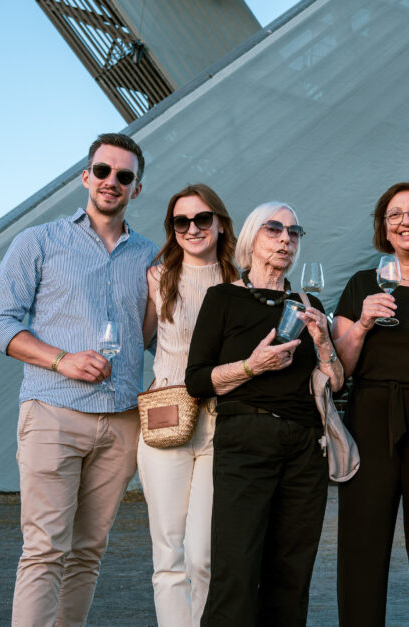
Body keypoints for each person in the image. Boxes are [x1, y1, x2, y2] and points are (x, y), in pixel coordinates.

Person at [0, 133, 157, 625]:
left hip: (121, 422)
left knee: (87, 553)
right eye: (103, 171)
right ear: (86, 177)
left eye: (124, 176)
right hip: (54, 412)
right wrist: (62, 360)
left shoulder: (150, 256)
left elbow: (150, 339)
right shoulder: (38, 242)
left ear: (136, 190)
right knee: (44, 550)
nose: (112, 182)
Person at [185, 202, 344, 626]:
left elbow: (338, 383)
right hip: (245, 438)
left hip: (306, 445)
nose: (285, 239)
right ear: (251, 240)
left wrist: (324, 341)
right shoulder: (223, 299)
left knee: (291, 573)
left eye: (294, 232)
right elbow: (197, 380)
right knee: (236, 569)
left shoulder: (309, 303)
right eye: (274, 230)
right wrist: (253, 366)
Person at [333, 183, 409, 625]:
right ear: (383, 228)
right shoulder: (363, 284)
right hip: (370, 416)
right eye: (395, 214)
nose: (406, 221)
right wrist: (364, 322)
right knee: (361, 544)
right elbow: (340, 368)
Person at [137, 184, 238, 626]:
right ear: (172, 229)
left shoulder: (241, 280)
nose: (193, 228)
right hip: (166, 422)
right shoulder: (158, 278)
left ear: (219, 223)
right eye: (182, 221)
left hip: (223, 426)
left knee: (204, 555)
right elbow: (135, 338)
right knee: (168, 555)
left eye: (202, 219)